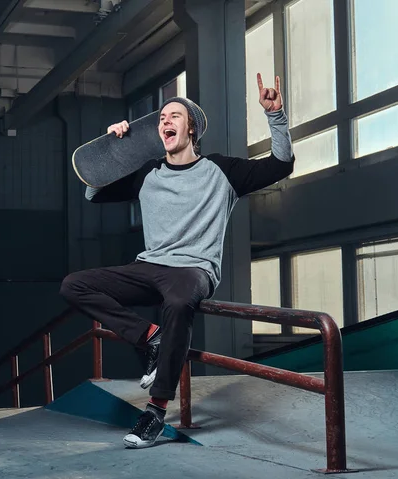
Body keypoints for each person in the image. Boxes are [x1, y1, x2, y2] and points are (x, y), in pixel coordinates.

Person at [59, 73, 294, 448]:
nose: (165, 121)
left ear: (192, 130)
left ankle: (154, 411)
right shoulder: (147, 173)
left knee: (180, 302)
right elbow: (93, 194)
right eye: (161, 118)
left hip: (193, 269)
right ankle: (151, 338)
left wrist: (276, 116)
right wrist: (111, 150)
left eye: (174, 116)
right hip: (148, 266)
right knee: (74, 284)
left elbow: (280, 166)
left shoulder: (223, 172)